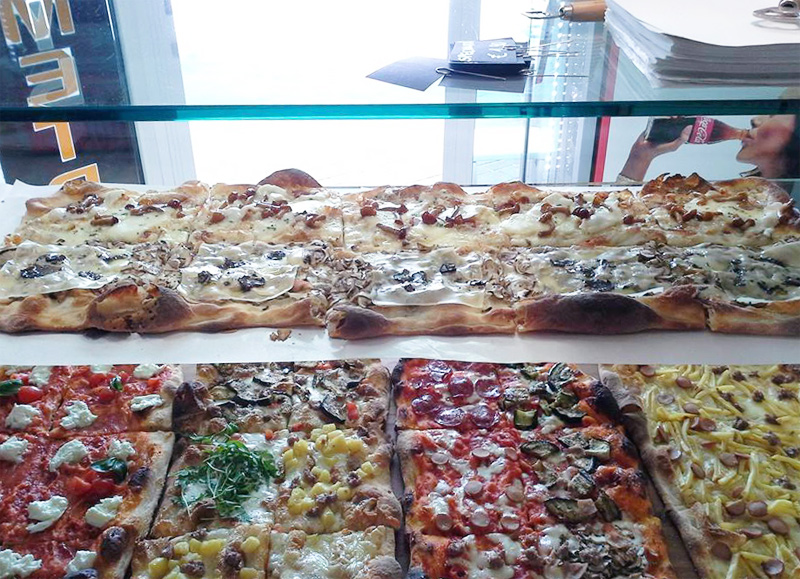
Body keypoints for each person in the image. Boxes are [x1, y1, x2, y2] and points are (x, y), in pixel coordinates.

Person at [617, 114, 799, 183]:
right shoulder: (737, 197)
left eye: (773, 113)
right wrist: (641, 156)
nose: (755, 119)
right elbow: (619, 223)